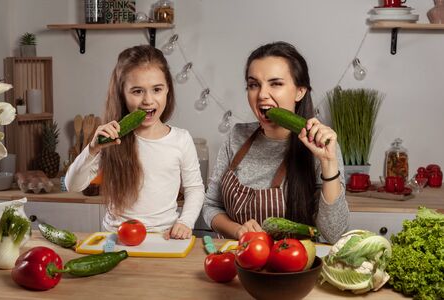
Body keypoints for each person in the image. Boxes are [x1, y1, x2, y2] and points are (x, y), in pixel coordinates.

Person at [202, 41, 348, 244]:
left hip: (293, 265)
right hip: (236, 259)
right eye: (254, 85)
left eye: (276, 84)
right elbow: (210, 206)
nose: (262, 94)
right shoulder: (237, 136)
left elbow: (334, 234)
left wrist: (329, 163)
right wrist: (238, 231)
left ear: (300, 91)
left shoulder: (322, 146)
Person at [65, 45, 204, 240]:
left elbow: (194, 188)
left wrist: (185, 221)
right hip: (115, 238)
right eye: (137, 91)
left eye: (157, 89)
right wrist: (92, 149)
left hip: (164, 237)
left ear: (168, 91)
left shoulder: (181, 139)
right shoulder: (111, 137)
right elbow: (72, 185)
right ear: (122, 93)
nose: (148, 100)